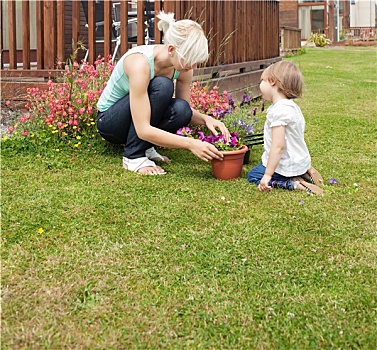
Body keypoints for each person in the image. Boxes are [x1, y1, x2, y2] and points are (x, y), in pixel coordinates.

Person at [96, 11, 229, 175]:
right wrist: (191, 143)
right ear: (171, 49)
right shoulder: (140, 63)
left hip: (135, 121)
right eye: (190, 60)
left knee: (183, 109)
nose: (193, 67)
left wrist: (206, 119)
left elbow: (183, 112)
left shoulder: (183, 68)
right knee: (163, 85)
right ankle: (133, 156)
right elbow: (143, 128)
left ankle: (145, 147)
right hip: (110, 122)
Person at [247, 61, 324, 195]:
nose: (260, 85)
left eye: (262, 81)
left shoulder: (279, 112)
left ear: (272, 81)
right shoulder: (292, 107)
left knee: (254, 175)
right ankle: (304, 171)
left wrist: (267, 175)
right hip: (300, 160)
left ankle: (293, 183)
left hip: (286, 164)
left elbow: (278, 147)